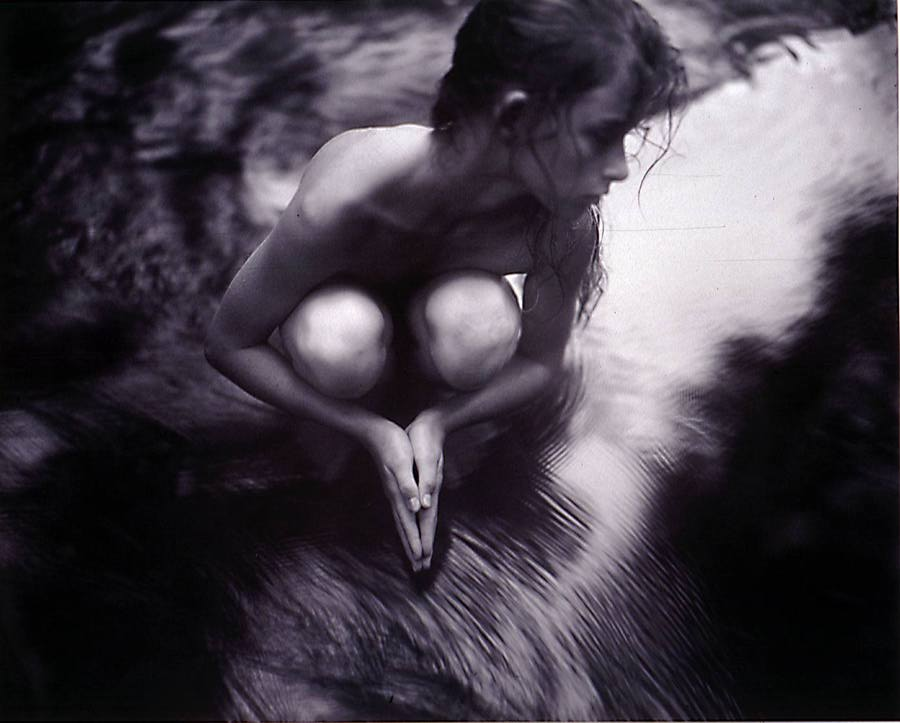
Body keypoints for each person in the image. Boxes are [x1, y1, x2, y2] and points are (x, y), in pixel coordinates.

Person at [205, 0, 685, 572]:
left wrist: (442, 422)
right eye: (602, 135)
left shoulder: (562, 226)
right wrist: (368, 430)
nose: (621, 168)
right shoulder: (350, 196)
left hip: (444, 318)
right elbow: (229, 343)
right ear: (513, 117)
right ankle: (347, 403)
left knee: (479, 329)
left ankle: (423, 393)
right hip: (337, 313)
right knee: (338, 340)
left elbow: (540, 362)